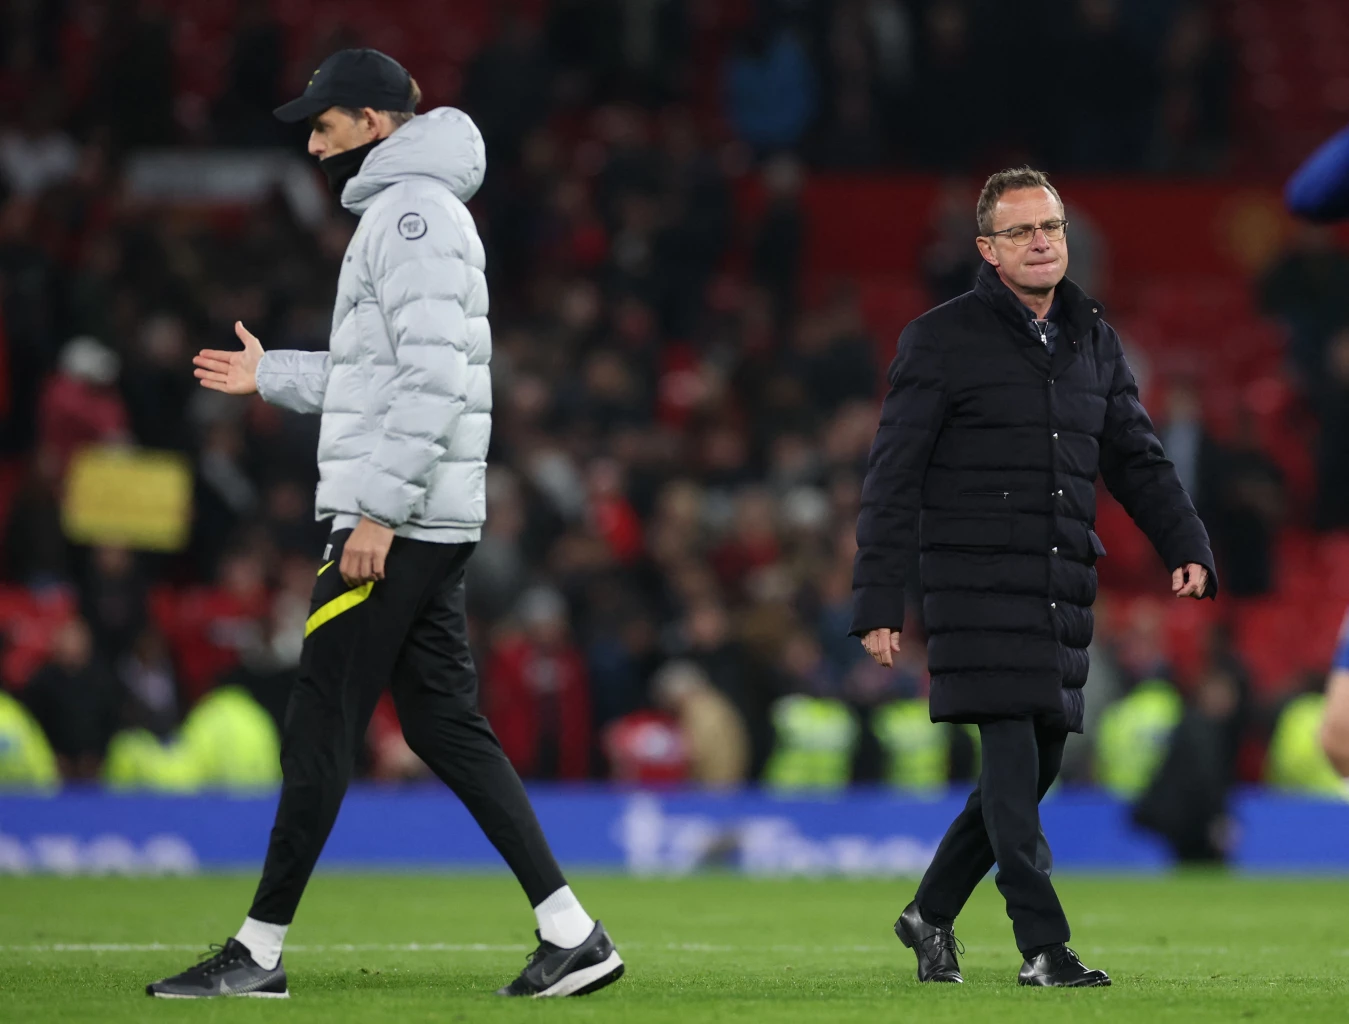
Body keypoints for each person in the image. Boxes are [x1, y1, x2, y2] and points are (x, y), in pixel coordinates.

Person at [146, 49, 623, 1001]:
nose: (314, 147)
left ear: (372, 122)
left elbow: (432, 382)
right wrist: (273, 373)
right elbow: (386, 373)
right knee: (444, 726)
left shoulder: (410, 216)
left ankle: (258, 952)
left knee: (321, 722)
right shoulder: (416, 210)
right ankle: (571, 934)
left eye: (324, 126)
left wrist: (376, 512)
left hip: (394, 520)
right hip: (424, 516)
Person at [851, 166, 1216, 988]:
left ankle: (929, 912)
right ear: (987, 249)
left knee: (1032, 769)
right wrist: (877, 600)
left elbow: (1135, 457)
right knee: (1014, 767)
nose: (1041, 241)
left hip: (1057, 587)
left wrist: (1184, 543)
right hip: (973, 587)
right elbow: (892, 477)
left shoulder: (1092, 338)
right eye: (1019, 230)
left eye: (1049, 226)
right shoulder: (938, 339)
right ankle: (1042, 947)